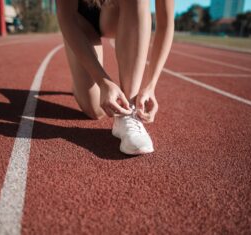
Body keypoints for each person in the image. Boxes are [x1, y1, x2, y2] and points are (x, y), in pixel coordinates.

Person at [56, 0, 174, 155]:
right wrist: (103, 81)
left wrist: (150, 85)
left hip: (117, 13)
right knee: (96, 111)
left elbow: (165, 23)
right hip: (81, 18)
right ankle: (78, 86)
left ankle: (129, 111)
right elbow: (67, 17)